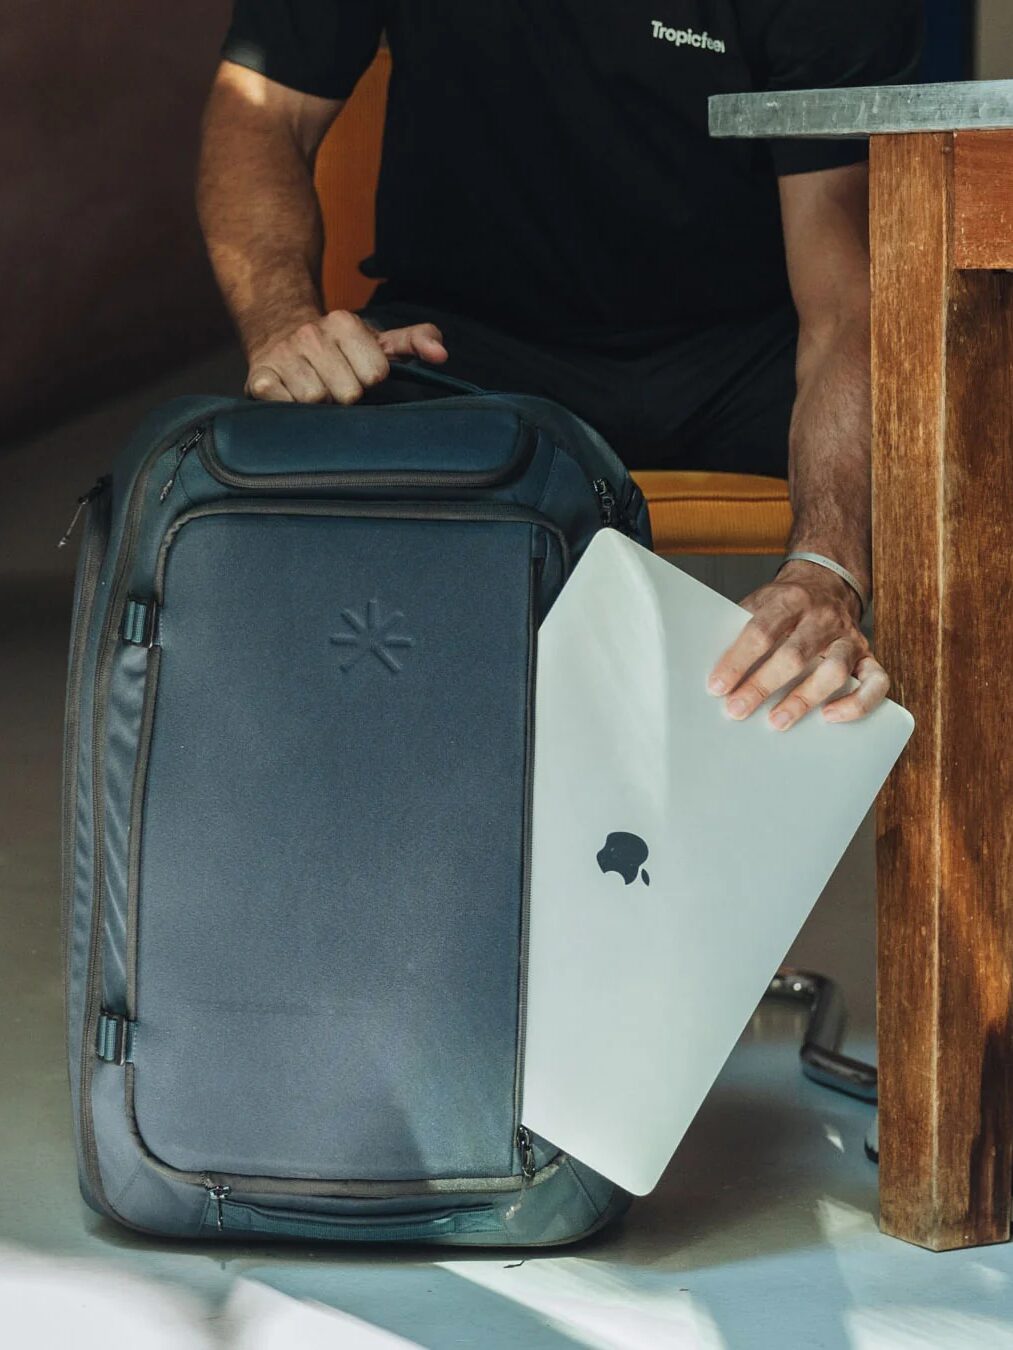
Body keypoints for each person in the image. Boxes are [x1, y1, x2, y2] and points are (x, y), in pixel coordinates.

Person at [196, 1, 922, 731]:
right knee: (295, 454)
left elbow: (840, 308)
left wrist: (828, 571)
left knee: (961, 439)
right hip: (465, 347)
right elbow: (262, 113)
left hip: (742, 356)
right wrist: (286, 325)